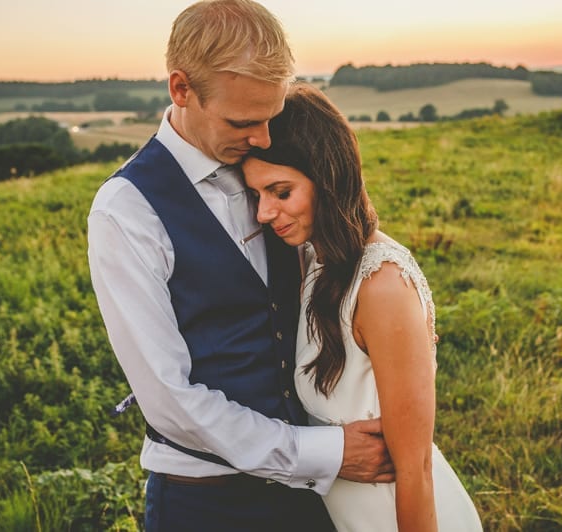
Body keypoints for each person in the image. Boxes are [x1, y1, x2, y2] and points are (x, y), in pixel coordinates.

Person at [87, 2, 392, 531]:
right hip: (207, 500)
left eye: (271, 117)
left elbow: (338, 250)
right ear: (181, 89)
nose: (265, 139)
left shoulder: (268, 161)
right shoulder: (125, 211)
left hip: (321, 495)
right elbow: (169, 401)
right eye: (243, 121)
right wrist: (322, 452)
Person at [242, 83, 484, 531]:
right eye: (256, 195)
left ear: (328, 178)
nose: (263, 213)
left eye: (280, 192)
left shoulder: (381, 286)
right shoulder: (315, 258)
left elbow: (415, 469)